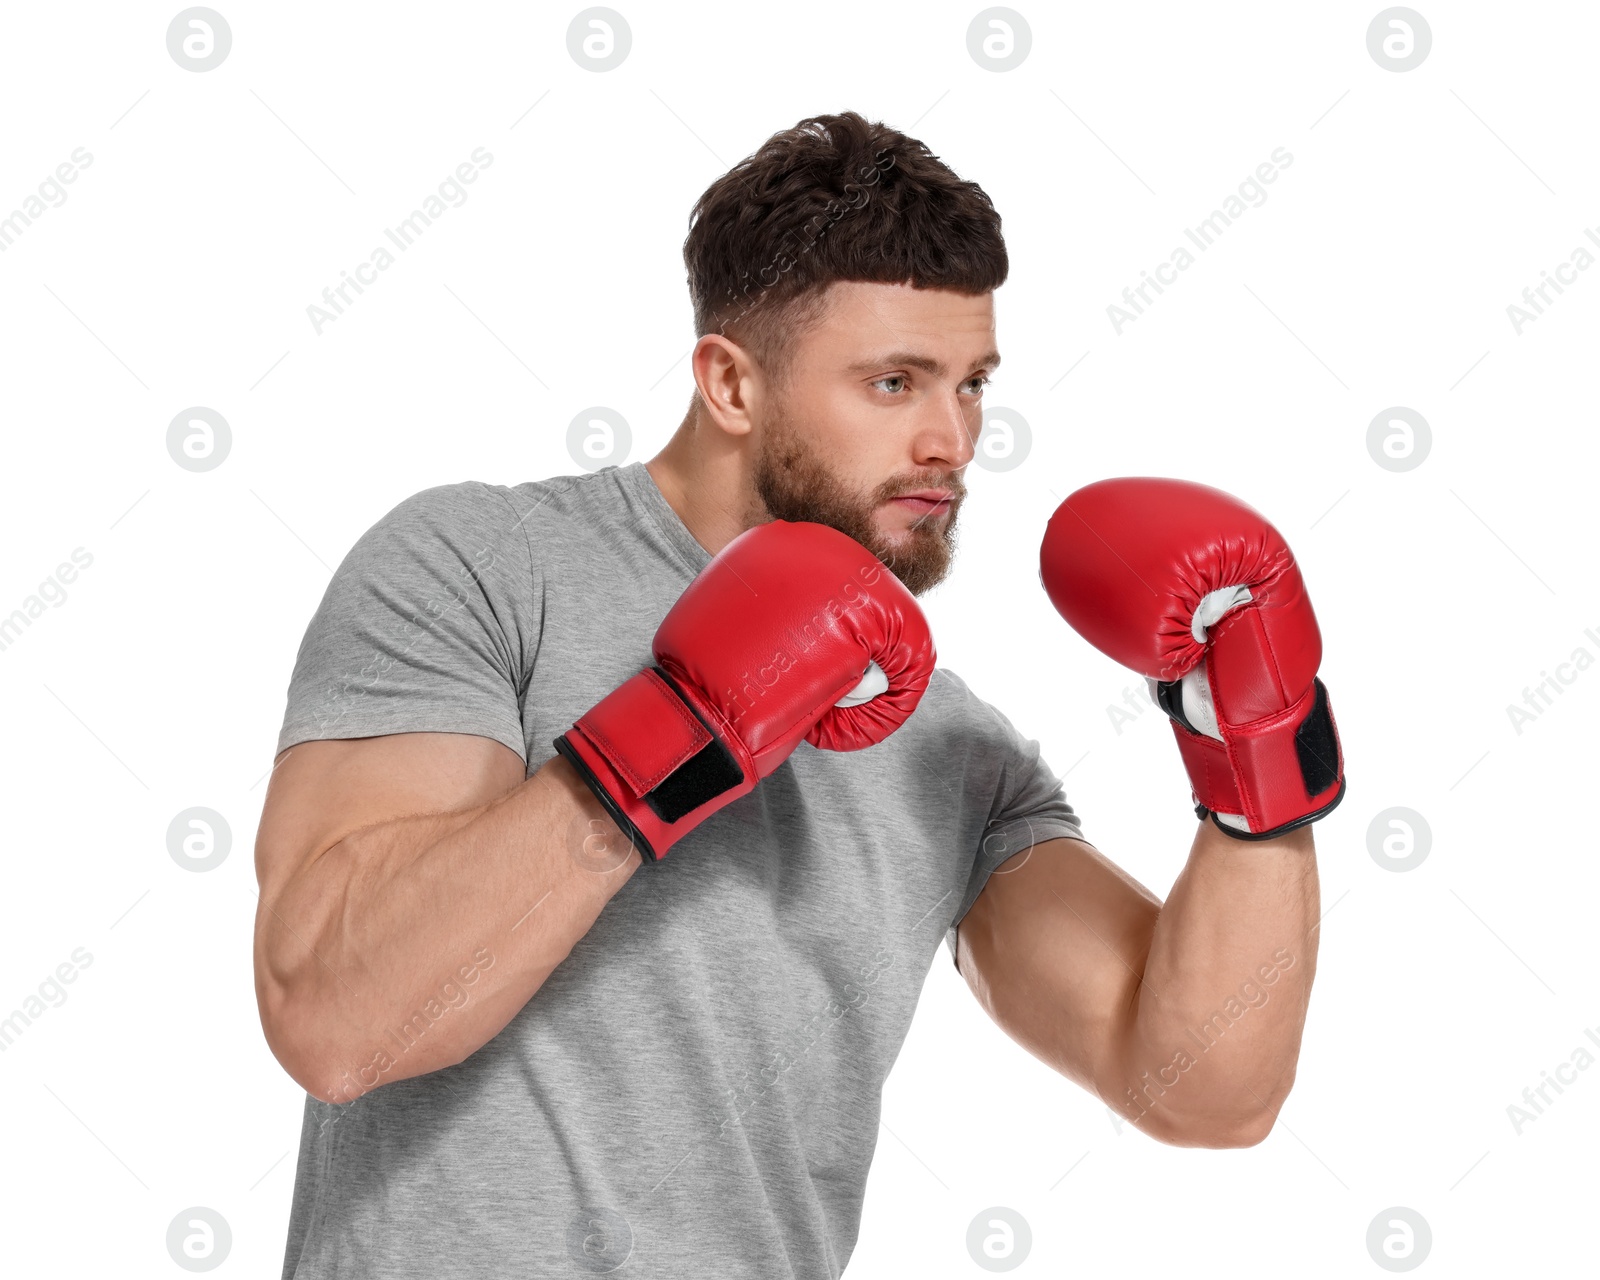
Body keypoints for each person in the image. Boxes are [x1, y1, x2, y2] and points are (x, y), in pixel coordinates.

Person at [253, 110, 1343, 1279]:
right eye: (893, 381)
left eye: (971, 383)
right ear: (729, 381)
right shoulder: (481, 564)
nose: (950, 440)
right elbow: (335, 1018)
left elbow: (1202, 1088)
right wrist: (681, 726)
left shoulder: (945, 742)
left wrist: (1255, 758)